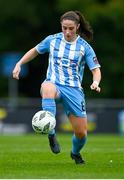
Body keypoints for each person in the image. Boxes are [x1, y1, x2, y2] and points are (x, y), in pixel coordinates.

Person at [12, 10, 101, 165]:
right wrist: (19, 64)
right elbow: (35, 51)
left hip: (74, 90)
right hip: (54, 84)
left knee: (81, 134)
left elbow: (96, 69)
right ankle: (51, 134)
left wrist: (95, 82)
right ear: (61, 26)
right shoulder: (52, 40)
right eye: (64, 28)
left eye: (71, 28)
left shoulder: (84, 47)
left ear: (78, 26)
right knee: (47, 87)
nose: (67, 32)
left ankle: (75, 153)